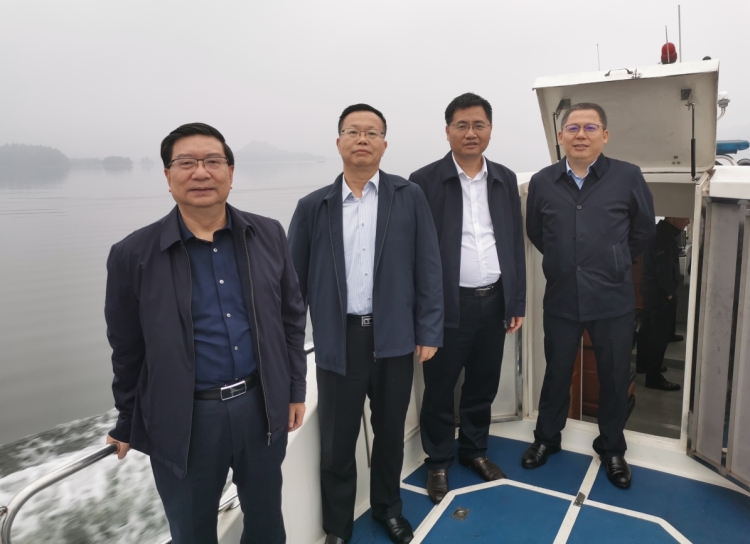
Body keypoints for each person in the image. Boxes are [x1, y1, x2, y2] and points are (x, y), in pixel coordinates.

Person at [104, 122, 307, 544]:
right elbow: (127, 348)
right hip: (187, 420)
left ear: (230, 172)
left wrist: (294, 390)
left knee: (267, 524)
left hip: (260, 408)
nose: (201, 172)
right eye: (186, 163)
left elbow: (291, 317)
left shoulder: (268, 234)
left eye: (213, 161)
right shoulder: (132, 255)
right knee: (193, 532)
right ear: (168, 176)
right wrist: (127, 419)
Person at [288, 104, 443, 544]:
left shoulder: (408, 196)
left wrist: (429, 329)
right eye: (353, 131)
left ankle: (388, 509)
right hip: (339, 341)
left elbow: (428, 267)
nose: (362, 139)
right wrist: (290, 347)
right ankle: (338, 527)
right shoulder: (313, 207)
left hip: (395, 336)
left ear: (384, 144)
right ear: (338, 142)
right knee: (337, 442)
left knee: (390, 434)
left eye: (372, 132)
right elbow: (292, 287)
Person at [524, 103, 655, 489]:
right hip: (562, 297)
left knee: (614, 377)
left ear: (605, 135)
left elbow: (643, 229)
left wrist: (615, 260)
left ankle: (612, 448)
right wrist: (564, 260)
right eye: (573, 128)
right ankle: (547, 438)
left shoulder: (628, 176)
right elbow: (536, 231)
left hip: (612, 299)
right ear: (561, 136)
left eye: (590, 127)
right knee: (556, 373)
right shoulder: (543, 181)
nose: (580, 134)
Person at [409, 93, 526, 504]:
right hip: (447, 305)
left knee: (482, 383)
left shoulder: (504, 179)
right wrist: (423, 314)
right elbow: (414, 251)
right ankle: (438, 460)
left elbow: (513, 243)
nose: (470, 133)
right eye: (462, 125)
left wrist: (516, 302)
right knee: (440, 388)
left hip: (494, 301)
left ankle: (474, 450)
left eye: (479, 125)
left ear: (490, 130)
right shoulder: (424, 181)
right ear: (448, 132)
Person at [636, 217, 688, 391]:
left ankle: (644, 365)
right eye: (685, 217)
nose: (688, 221)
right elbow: (664, 267)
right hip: (659, 293)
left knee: (648, 329)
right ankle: (654, 376)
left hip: (650, 289)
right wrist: (669, 292)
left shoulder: (658, 231)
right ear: (673, 217)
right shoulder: (665, 236)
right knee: (659, 335)